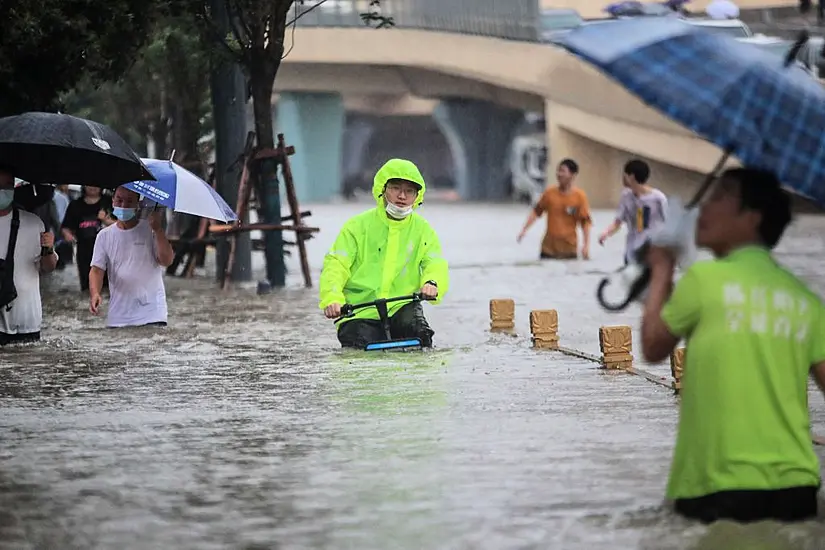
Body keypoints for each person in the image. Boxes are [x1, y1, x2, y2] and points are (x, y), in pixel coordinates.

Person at [640, 168, 824, 524]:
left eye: (721, 196)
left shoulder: (705, 280)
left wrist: (662, 268)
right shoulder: (807, 302)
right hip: (797, 489)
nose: (705, 208)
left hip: (716, 485)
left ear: (752, 218)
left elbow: (652, 346)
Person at [319, 158, 449, 349]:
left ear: (417, 196)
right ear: (383, 189)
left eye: (409, 191)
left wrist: (432, 283)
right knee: (357, 348)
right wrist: (332, 299)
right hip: (360, 311)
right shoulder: (356, 226)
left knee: (422, 338)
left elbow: (434, 262)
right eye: (396, 188)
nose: (402, 196)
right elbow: (336, 265)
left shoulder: (423, 230)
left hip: (402, 306)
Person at [89, 186, 174, 328]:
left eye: (129, 201)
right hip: (119, 316)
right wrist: (95, 293)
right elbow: (96, 270)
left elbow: (167, 260)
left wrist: (158, 230)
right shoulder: (104, 236)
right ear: (113, 201)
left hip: (152, 314)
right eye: (119, 200)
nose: (123, 205)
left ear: (138, 204)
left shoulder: (150, 229)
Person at [0, 165, 58, 345]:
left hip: (27, 320)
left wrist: (48, 248)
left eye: (7, 186)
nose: (3, 191)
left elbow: (48, 267)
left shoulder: (33, 223)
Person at [516, 158, 591, 260]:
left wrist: (586, 245)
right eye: (558, 170)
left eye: (563, 171)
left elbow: (585, 222)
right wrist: (524, 230)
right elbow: (536, 212)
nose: (559, 174)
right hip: (548, 250)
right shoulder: (549, 193)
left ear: (573, 175)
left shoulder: (580, 197)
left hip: (569, 250)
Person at [598, 159, 668, 265]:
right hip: (632, 251)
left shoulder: (658, 198)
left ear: (631, 177)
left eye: (624, 174)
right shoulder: (626, 196)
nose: (622, 178)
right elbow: (618, 222)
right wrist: (606, 233)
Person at [61, 186, 114, 291]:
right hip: (84, 252)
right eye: (89, 184)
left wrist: (106, 221)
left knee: (109, 288)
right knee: (88, 287)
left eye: (96, 184)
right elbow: (66, 227)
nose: (92, 187)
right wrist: (67, 235)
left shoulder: (109, 202)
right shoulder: (75, 205)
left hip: (109, 251)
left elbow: (122, 225)